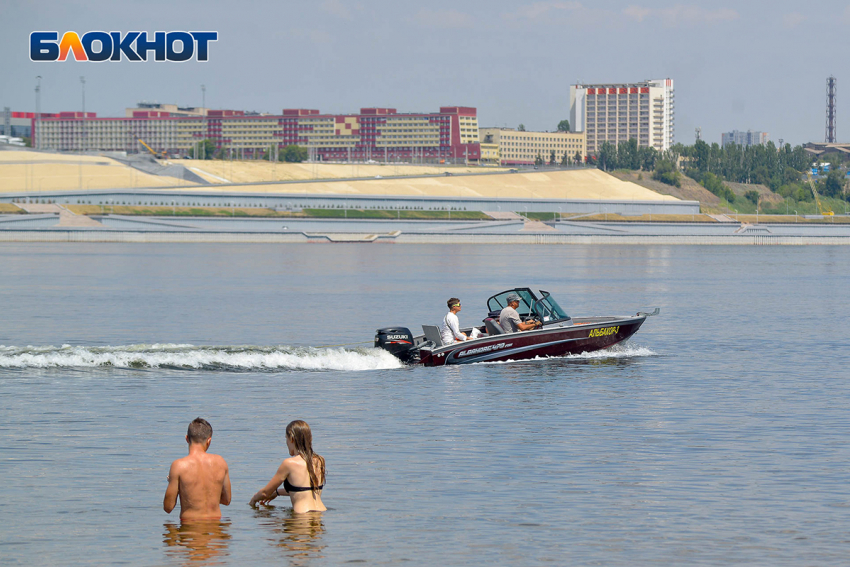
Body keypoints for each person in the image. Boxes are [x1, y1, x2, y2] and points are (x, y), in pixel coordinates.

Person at [249, 420, 327, 514]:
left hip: (300, 518)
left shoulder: (289, 463)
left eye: (286, 438)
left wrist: (253, 500)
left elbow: (265, 493)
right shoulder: (320, 460)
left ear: (292, 439)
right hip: (320, 514)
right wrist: (277, 493)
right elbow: (304, 492)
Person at [163, 417, 232, 521]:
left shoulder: (179, 466)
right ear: (209, 441)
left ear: (187, 438)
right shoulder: (221, 462)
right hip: (215, 531)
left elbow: (168, 507)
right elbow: (226, 500)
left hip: (189, 529)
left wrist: (175, 483)